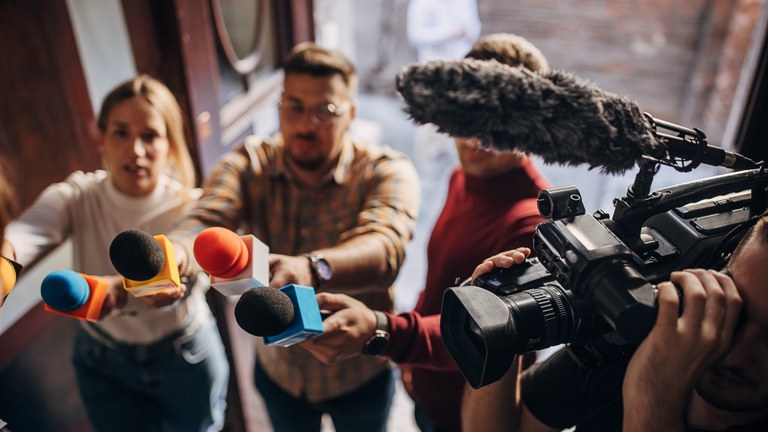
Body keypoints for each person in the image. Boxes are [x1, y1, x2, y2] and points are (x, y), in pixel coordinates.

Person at [300, 33, 551, 432]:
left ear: (533, 125)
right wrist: (412, 351)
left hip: (470, 415)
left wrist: (387, 332)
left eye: (498, 124)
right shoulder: (464, 177)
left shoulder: (531, 222)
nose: (474, 139)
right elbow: (440, 284)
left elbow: (486, 329)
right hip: (426, 384)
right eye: (468, 116)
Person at [167, 42, 420, 432]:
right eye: (294, 106)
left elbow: (386, 246)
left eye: (325, 110)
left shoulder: (385, 170)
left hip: (359, 372)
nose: (306, 124)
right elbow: (206, 217)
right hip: (279, 371)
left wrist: (312, 268)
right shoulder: (250, 162)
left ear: (351, 114)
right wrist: (175, 255)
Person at [2, 76, 229, 432]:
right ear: (101, 137)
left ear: (170, 144)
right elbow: (24, 234)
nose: (135, 150)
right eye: (121, 132)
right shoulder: (78, 195)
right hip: (102, 356)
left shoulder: (192, 207)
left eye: (149, 135)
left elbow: (195, 267)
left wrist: (129, 290)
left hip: (184, 354)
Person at [461, 213, 768, 432]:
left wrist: (653, 394)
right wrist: (504, 326)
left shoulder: (657, 362)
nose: (736, 353)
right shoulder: (627, 345)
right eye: (738, 309)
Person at [406, 0, 482, 63]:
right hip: (434, 65)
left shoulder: (465, 1)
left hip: (461, 63)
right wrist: (448, 32)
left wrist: (466, 32)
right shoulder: (421, 2)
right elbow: (415, 36)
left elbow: (474, 30)